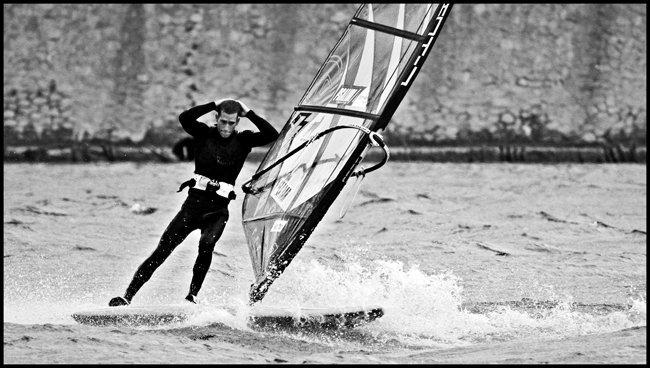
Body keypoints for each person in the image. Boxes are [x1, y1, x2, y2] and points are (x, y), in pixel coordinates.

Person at [109, 98, 279, 306]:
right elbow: (185, 118)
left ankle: (192, 297)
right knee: (162, 251)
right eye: (223, 121)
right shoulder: (204, 133)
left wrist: (248, 112)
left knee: (206, 245)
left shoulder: (244, 140)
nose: (226, 127)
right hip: (193, 206)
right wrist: (214, 103)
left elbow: (272, 135)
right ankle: (127, 297)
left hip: (217, 210)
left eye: (231, 123)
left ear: (237, 122)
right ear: (217, 118)